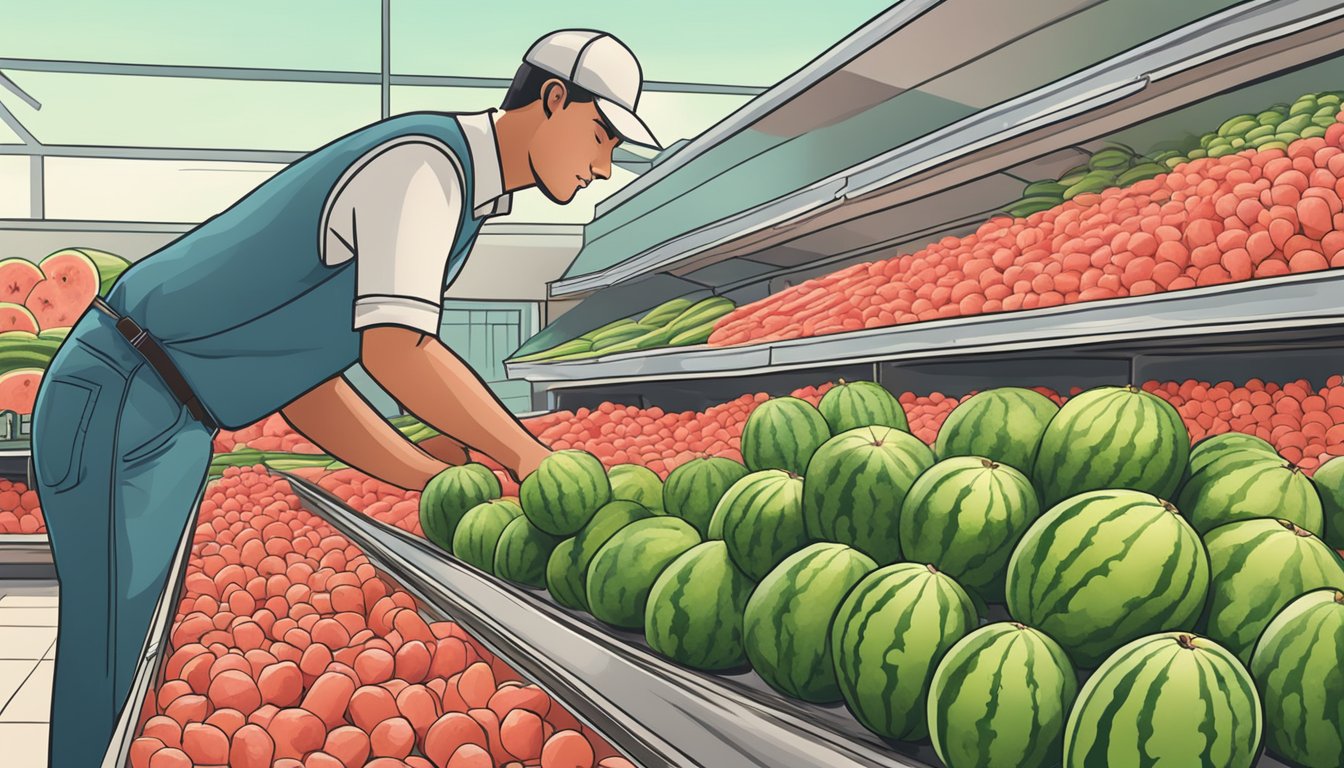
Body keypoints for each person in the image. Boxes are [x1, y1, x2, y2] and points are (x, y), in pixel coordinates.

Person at [31, 29, 660, 766]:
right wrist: (525, 455)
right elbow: (396, 347)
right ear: (553, 99)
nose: (603, 165)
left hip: (171, 414)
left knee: (130, 639)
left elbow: (308, 387)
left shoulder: (462, 202)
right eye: (601, 135)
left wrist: (425, 474)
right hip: (119, 395)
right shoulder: (426, 169)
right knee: (112, 647)